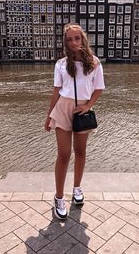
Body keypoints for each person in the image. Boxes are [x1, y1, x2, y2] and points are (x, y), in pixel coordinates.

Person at [44, 23, 105, 220]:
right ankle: (59, 197)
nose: (73, 43)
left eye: (77, 38)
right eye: (69, 39)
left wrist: (88, 106)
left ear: (83, 39)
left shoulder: (94, 62)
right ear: (65, 42)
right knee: (63, 154)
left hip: (82, 112)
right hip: (63, 109)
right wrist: (49, 115)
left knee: (80, 152)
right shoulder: (61, 64)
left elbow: (98, 89)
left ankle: (77, 188)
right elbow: (56, 91)